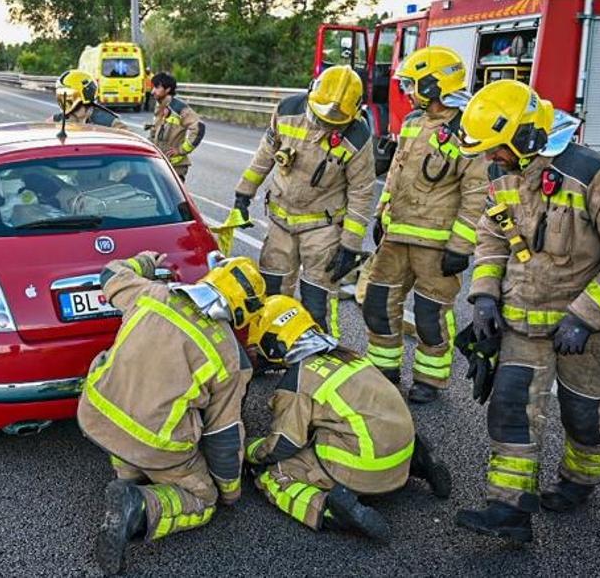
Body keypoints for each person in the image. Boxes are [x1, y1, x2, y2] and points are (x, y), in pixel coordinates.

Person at [452, 80, 600, 543]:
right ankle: (508, 510)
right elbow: (492, 236)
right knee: (510, 409)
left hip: (590, 332)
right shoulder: (503, 172)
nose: (491, 160)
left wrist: (584, 317)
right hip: (523, 322)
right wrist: (483, 294)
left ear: (524, 137)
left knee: (582, 417)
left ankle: (582, 479)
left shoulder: (594, 174)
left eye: (497, 150)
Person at [78, 253, 264, 575]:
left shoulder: (153, 294)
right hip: (153, 442)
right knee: (202, 499)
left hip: (95, 414)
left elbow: (109, 273)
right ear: (242, 312)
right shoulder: (227, 357)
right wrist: (230, 492)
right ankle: (139, 506)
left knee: (129, 416)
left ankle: (128, 475)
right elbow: (223, 436)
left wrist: (146, 262)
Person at [244, 295, 452, 542]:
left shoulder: (297, 382)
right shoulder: (348, 355)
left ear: (273, 345)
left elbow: (284, 444)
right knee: (353, 423)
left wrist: (252, 451)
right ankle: (421, 463)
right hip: (402, 448)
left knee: (274, 475)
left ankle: (332, 510)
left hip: (363, 469)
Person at [364, 46, 489, 404]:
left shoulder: (466, 131)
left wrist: (461, 247)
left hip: (437, 246)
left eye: (413, 84)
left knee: (429, 316)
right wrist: (381, 213)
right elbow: (396, 173)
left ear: (434, 84)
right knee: (377, 304)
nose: (407, 91)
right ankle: (384, 373)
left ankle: (430, 381)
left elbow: (476, 192)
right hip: (396, 236)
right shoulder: (413, 123)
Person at [232, 65, 375, 338]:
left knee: (317, 298)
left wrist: (349, 246)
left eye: (335, 124)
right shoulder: (287, 111)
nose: (325, 125)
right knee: (272, 291)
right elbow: (264, 155)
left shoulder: (357, 136)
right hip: (280, 220)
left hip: (322, 228)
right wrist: (243, 194)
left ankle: (322, 354)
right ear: (311, 93)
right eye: (320, 117)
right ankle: (269, 349)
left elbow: (362, 191)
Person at [145, 71, 205, 181]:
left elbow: (199, 128)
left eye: (157, 87)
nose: (153, 91)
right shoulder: (160, 107)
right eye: (153, 87)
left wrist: (181, 150)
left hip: (175, 168)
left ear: (167, 89)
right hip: (160, 164)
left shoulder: (178, 108)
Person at [52, 69, 131, 131]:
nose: (64, 99)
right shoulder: (57, 120)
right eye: (61, 94)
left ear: (85, 93)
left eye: (67, 94)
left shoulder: (109, 122)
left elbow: (128, 142)